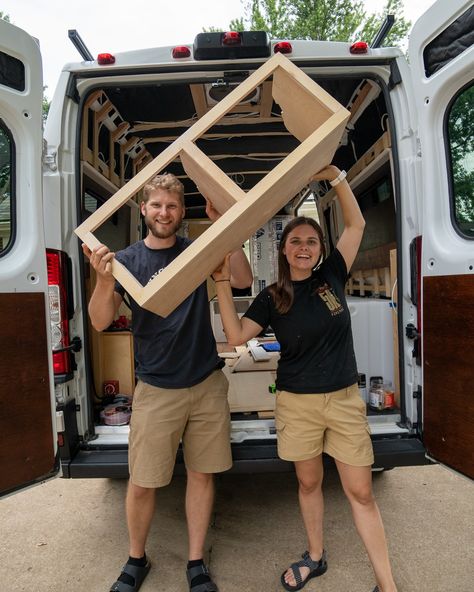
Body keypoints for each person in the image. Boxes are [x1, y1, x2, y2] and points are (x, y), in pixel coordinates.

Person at [212, 165, 397, 592]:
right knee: (309, 482)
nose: (304, 247)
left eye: (311, 241)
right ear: (283, 249)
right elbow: (237, 335)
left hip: (345, 401)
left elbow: (357, 223)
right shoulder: (272, 296)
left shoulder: (332, 272)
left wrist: (337, 178)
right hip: (297, 403)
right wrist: (222, 282)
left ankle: (387, 584)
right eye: (295, 240)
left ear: (319, 249)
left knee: (362, 493)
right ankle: (315, 556)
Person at [82, 172, 252, 592]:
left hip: (206, 384)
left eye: (172, 206)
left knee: (201, 474)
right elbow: (100, 321)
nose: (164, 212)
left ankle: (196, 562)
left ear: (181, 212)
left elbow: (244, 279)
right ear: (143, 209)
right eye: (156, 204)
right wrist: (104, 280)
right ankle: (135, 558)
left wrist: (227, 226)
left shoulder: (198, 253)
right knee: (142, 481)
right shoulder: (126, 261)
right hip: (156, 389)